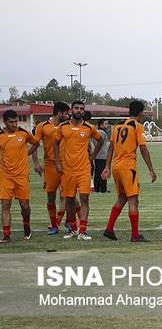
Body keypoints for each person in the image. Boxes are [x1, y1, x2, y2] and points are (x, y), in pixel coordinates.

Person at [101, 101, 157, 242]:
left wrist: (107, 166)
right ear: (140, 113)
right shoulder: (137, 126)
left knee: (122, 197)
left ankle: (109, 229)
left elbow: (111, 147)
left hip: (116, 166)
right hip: (128, 167)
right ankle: (135, 235)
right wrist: (151, 169)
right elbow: (143, 149)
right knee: (133, 200)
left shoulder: (118, 125)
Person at [54, 101, 104, 240]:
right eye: (76, 108)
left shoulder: (89, 127)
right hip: (67, 170)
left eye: (81, 109)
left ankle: (82, 230)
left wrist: (92, 157)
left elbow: (100, 141)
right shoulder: (63, 126)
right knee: (69, 200)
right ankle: (72, 229)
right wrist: (57, 163)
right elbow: (56, 143)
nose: (79, 110)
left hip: (83, 169)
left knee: (84, 199)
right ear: (71, 110)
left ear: (84, 111)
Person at [31, 102, 72, 235]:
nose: (68, 115)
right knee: (51, 196)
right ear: (59, 113)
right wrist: (36, 162)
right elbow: (35, 144)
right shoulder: (42, 126)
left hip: (66, 164)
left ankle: (61, 221)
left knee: (68, 195)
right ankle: (55, 224)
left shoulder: (68, 126)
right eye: (66, 113)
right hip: (50, 165)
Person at [0, 110, 39, 243]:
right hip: (5, 177)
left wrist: (27, 154)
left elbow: (36, 143)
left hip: (22, 176)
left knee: (25, 206)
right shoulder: (0, 135)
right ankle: (6, 235)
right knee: (5, 205)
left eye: (16, 121)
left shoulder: (23, 132)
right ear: (4, 122)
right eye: (11, 122)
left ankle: (27, 226)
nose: (14, 124)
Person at [93, 119, 110, 193]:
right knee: (103, 172)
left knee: (97, 172)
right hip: (102, 156)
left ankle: (97, 188)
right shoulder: (102, 132)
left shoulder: (97, 132)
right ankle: (103, 189)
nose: (107, 125)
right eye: (105, 124)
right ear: (101, 125)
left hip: (97, 156)